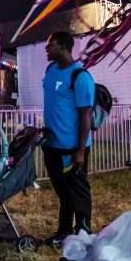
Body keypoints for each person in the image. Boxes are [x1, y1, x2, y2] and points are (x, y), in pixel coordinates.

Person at [41, 31, 95, 246]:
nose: (46, 49)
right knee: (63, 191)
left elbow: (85, 115)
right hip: (51, 144)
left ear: (63, 46)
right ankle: (63, 232)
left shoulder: (79, 76)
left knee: (78, 189)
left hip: (71, 147)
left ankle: (83, 230)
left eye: (50, 45)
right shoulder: (51, 70)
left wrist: (80, 150)